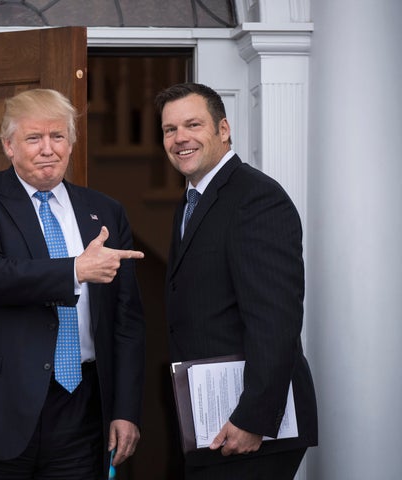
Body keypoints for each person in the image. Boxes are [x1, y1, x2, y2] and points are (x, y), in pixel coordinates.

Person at [0, 88, 146, 479]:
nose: (47, 149)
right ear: (8, 145)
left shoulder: (104, 210)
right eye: (33, 138)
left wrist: (124, 410)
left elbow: (126, 321)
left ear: (71, 143)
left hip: (81, 410)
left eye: (57, 136)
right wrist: (75, 270)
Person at [155, 82, 318, 479]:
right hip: (213, 422)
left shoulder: (255, 197)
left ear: (223, 129)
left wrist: (253, 418)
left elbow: (275, 319)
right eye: (169, 130)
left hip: (249, 427)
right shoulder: (192, 201)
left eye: (192, 124)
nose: (180, 139)